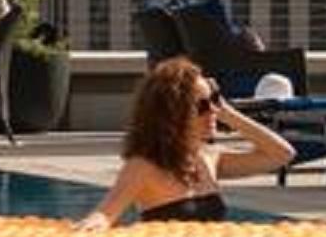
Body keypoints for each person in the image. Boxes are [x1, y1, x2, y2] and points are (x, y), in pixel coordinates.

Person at [78, 56, 297, 227]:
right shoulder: (143, 167)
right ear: (173, 114)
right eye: (202, 106)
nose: (212, 111)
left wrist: (228, 113)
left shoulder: (209, 158)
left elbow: (283, 154)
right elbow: (105, 215)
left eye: (213, 101)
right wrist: (86, 229)